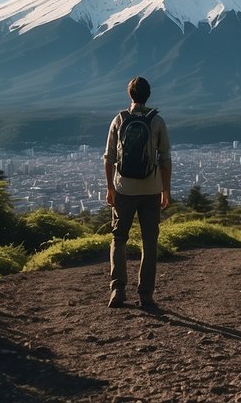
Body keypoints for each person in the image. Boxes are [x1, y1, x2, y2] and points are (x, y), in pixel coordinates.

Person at [104, 76, 172, 309]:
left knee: (119, 238)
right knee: (149, 241)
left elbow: (109, 158)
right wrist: (166, 189)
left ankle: (118, 289)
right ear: (148, 95)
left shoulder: (119, 120)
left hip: (124, 189)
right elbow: (165, 159)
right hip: (151, 189)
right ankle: (146, 295)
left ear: (130, 95)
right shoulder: (157, 121)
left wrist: (110, 188)